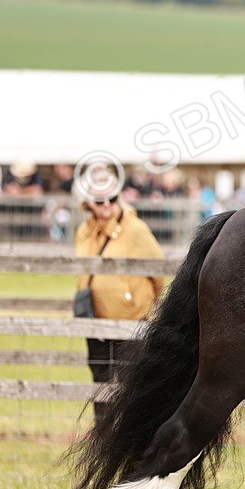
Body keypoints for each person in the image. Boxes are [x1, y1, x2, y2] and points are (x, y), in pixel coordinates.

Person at [74, 179, 165, 421]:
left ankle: (129, 436)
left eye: (112, 199)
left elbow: (158, 271)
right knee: (100, 380)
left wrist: (138, 301)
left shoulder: (135, 229)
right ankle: (102, 433)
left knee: (130, 382)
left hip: (130, 322)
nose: (106, 205)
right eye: (99, 200)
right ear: (88, 202)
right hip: (95, 320)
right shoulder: (84, 231)